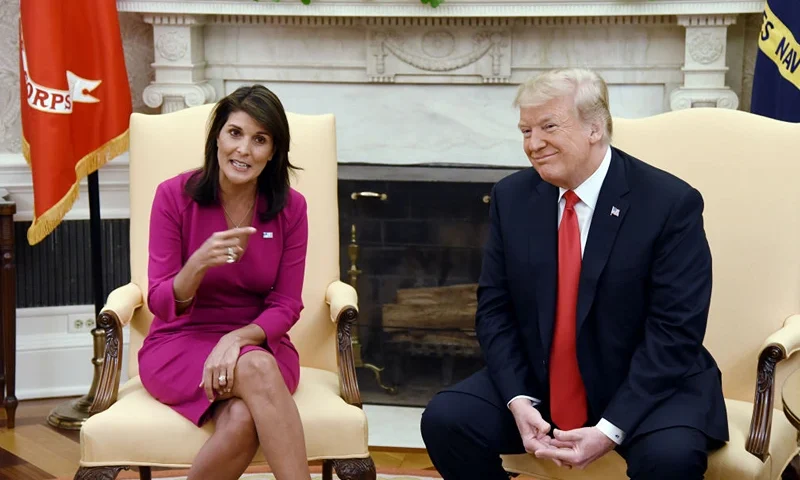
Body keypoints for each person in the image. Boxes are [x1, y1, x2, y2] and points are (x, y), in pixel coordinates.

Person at [420, 68, 729, 480]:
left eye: (548, 126)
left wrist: (610, 429)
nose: (533, 144)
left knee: (670, 460)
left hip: (646, 387)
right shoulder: (512, 197)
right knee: (445, 420)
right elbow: (494, 309)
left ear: (595, 128)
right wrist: (517, 398)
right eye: (525, 130)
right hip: (542, 379)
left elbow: (675, 332)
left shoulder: (669, 204)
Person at [138, 84, 311, 480]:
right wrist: (196, 265)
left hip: (256, 341)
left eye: (260, 139)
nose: (244, 150)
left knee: (242, 421)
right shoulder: (173, 196)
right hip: (179, 344)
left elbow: (286, 303)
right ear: (217, 135)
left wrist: (236, 340)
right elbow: (160, 302)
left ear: (274, 152)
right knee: (258, 371)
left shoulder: (291, 209)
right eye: (235, 133)